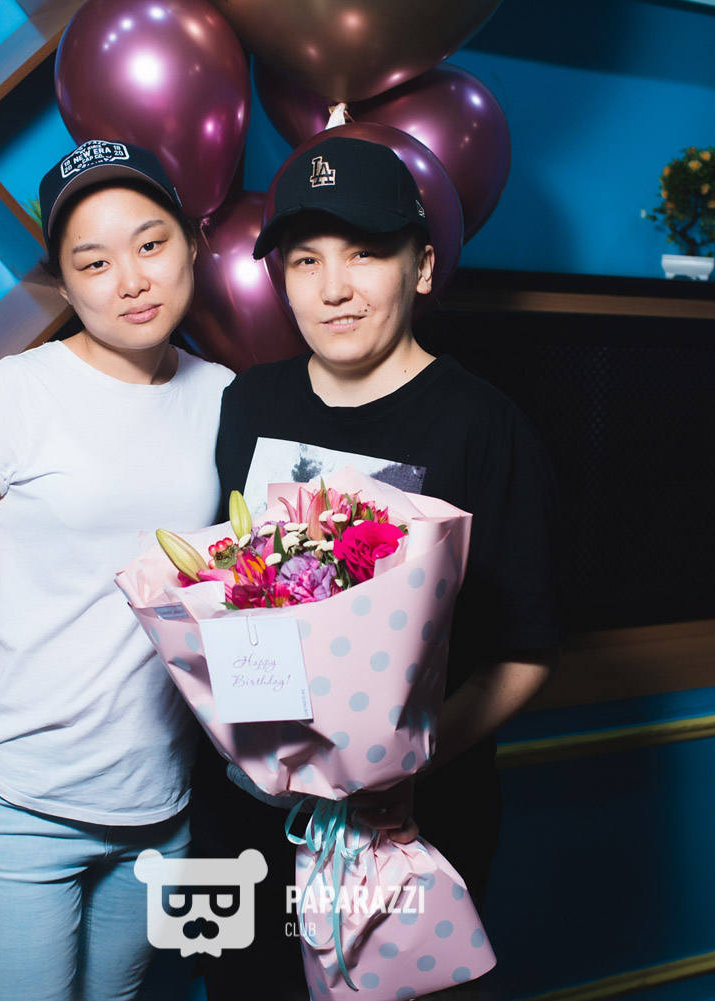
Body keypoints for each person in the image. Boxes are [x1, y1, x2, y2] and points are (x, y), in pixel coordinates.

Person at [191, 136, 562, 999]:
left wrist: (409, 767)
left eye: (364, 253)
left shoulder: (484, 427)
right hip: (249, 823)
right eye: (306, 259)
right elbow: (223, 596)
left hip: (409, 827)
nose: (333, 287)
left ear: (422, 267)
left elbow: (526, 649)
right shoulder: (248, 403)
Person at [0, 139, 234, 1001]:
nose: (131, 279)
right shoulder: (4, 397)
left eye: (151, 244)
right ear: (63, 283)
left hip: (161, 806)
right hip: (21, 804)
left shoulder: (227, 398)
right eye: (95, 262)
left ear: (192, 244)